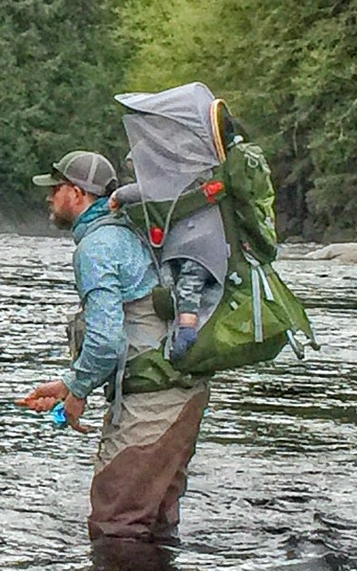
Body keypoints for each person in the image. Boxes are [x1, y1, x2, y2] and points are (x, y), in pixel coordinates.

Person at [16, 149, 211, 549]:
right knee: (154, 528)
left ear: (76, 193)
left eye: (55, 189)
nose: (49, 199)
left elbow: (106, 341)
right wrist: (69, 386)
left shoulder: (98, 247)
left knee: (116, 530)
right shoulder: (135, 231)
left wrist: (78, 389)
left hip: (152, 408)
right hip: (182, 397)